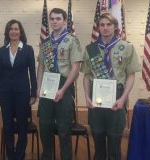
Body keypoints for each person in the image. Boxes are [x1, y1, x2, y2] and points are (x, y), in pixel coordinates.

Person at [81, 12, 141, 160]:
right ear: (98, 28)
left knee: (115, 143)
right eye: (102, 25)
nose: (105, 28)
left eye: (109, 24)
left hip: (117, 97)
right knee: (98, 140)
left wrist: (123, 99)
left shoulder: (127, 47)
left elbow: (130, 76)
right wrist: (87, 97)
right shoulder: (90, 49)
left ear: (115, 27)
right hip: (96, 98)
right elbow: (87, 75)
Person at [37, 8, 83, 160]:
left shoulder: (72, 40)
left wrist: (63, 90)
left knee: (64, 129)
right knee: (44, 125)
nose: (54, 21)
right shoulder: (46, 43)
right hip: (47, 85)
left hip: (64, 84)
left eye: (58, 18)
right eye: (52, 19)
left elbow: (76, 68)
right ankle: (47, 156)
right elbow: (41, 67)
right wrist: (38, 87)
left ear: (64, 21)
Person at [0, 19, 37, 160]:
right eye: (11, 29)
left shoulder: (28, 49)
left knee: (22, 125)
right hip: (5, 93)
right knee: (7, 125)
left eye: (16, 29)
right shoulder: (1, 50)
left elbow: (32, 72)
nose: (13, 31)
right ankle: (10, 155)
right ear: (8, 32)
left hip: (22, 93)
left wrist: (33, 92)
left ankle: (20, 155)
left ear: (20, 32)